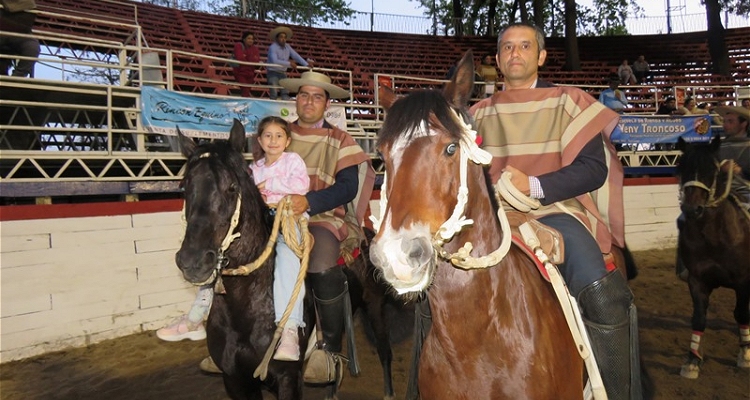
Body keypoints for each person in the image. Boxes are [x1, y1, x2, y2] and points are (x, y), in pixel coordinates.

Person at [471, 22, 644, 400]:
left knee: (601, 291)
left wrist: (533, 186)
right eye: (507, 48)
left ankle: (620, 391)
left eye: (524, 47)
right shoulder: (475, 114)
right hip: (491, 220)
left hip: (557, 211)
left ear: (541, 56)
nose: (514, 54)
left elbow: (593, 169)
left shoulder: (571, 100)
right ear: (498, 59)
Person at [279, 70, 376, 379]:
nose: (309, 101)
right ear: (296, 99)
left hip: (320, 218)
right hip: (278, 218)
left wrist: (309, 202)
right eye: (304, 95)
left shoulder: (340, 139)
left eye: (317, 96)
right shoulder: (278, 134)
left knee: (321, 264)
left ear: (327, 103)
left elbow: (348, 187)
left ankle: (329, 349)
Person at [249, 116, 311, 361]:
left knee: (287, 256)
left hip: (288, 217)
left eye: (279, 136)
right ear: (259, 140)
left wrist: (269, 183)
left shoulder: (292, 161)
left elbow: (301, 186)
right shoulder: (254, 168)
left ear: (287, 141)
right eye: (267, 135)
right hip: (262, 218)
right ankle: (202, 308)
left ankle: (289, 330)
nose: (273, 140)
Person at [674, 105, 750, 281]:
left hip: (746, 191)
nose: (725, 124)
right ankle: (686, 264)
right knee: (683, 219)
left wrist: (740, 172)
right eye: (724, 121)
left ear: (744, 124)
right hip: (719, 194)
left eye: (730, 121)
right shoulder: (716, 147)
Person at [266, 26, 311, 100]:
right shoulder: (273, 47)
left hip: (283, 72)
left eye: (284, 37)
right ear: (277, 38)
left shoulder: (288, 47)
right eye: (281, 37)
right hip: (273, 71)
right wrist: (289, 63)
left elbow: (296, 56)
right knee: (274, 92)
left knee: (285, 91)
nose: (283, 39)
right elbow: (274, 61)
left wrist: (306, 64)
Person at [0, 0, 40, 77]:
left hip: (21, 34)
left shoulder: (29, 4)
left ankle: (17, 78)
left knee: (33, 48)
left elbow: (27, 24)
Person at [232, 31, 260, 97]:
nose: (251, 40)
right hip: (240, 72)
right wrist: (251, 60)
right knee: (245, 90)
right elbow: (240, 58)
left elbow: (257, 60)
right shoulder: (238, 45)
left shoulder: (255, 48)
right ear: (244, 39)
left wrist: (246, 57)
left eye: (252, 39)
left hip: (251, 73)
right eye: (249, 38)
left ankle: (245, 105)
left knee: (247, 90)